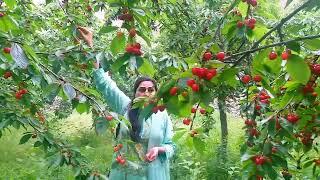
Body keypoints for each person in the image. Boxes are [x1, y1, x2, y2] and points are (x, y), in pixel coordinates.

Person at [77, 26, 176, 180]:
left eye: (151, 90)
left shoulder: (161, 114)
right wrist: (90, 47)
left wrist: (159, 149)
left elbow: (171, 145)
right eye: (142, 90)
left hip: (154, 174)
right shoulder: (125, 106)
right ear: (135, 92)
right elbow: (104, 83)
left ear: (156, 94)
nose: (146, 93)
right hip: (125, 174)